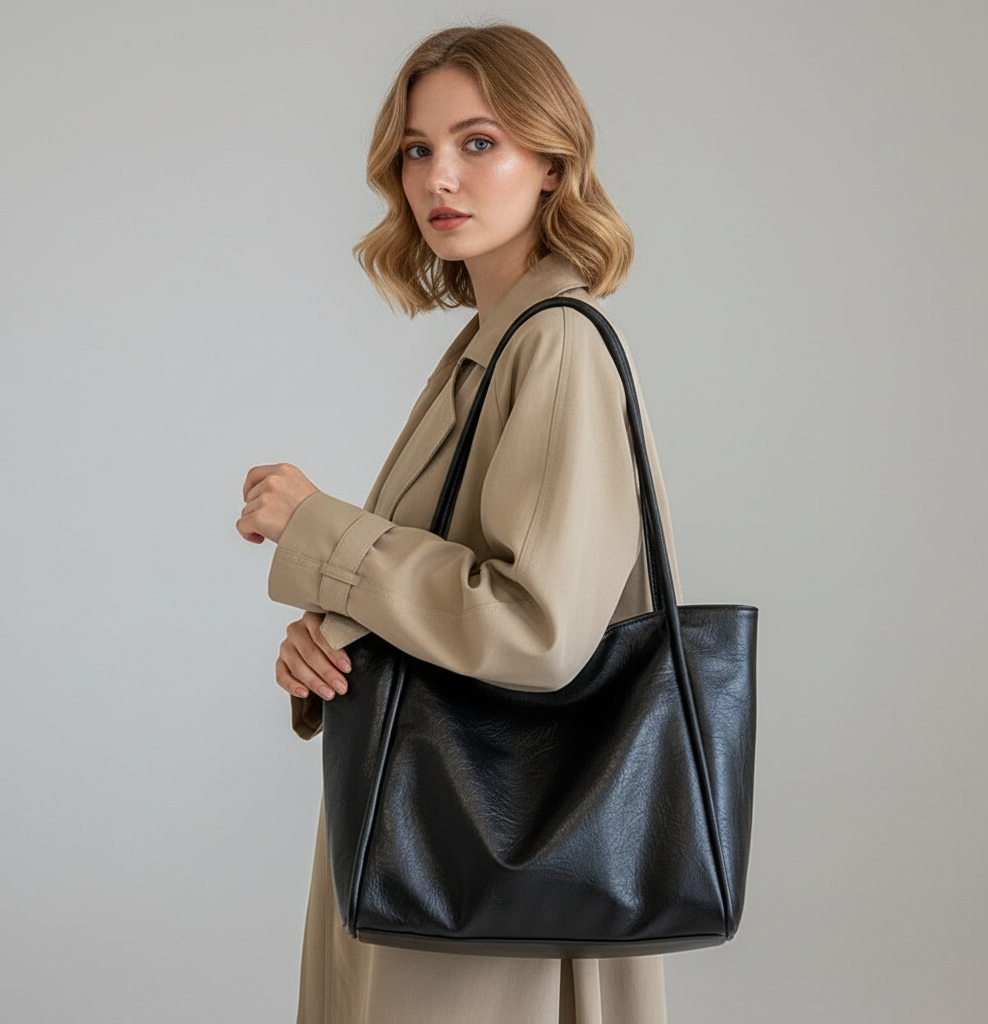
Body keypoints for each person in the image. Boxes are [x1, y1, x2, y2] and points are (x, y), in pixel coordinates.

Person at [236, 24, 681, 1024]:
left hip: (487, 900)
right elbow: (445, 592)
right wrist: (330, 644)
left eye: (479, 142)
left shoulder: (554, 345)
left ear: (553, 166)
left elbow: (536, 628)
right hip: (433, 865)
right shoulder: (490, 349)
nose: (440, 174)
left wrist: (319, 527)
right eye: (417, 148)